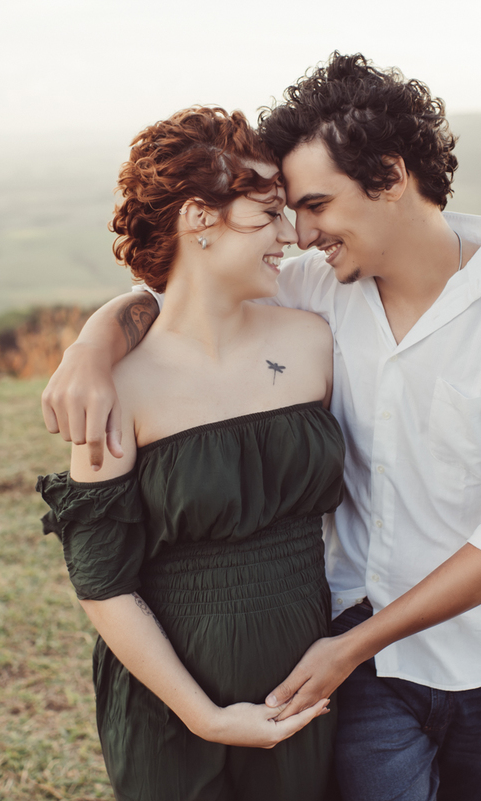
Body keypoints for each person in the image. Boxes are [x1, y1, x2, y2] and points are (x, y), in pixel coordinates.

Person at [41, 54, 481, 801]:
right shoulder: (320, 287)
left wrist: (351, 646)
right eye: (285, 210)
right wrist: (92, 348)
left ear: (390, 175)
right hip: (351, 663)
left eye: (314, 203)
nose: (301, 233)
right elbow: (175, 288)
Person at [36, 106, 345, 801]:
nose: (291, 234)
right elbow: (103, 583)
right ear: (200, 218)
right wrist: (204, 716)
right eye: (267, 213)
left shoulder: (312, 341)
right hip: (173, 698)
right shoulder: (119, 385)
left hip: (307, 673)